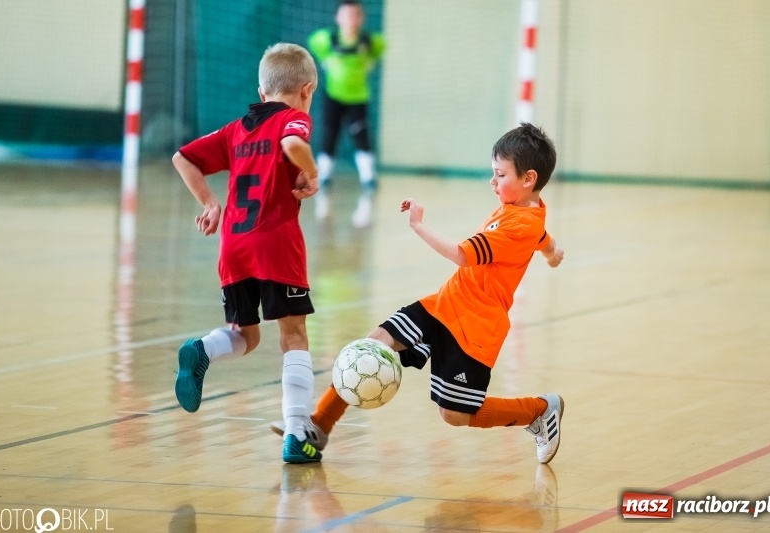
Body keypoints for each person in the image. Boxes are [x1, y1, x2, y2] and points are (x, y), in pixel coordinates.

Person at [272, 123, 566, 464]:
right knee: (372, 345)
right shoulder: (525, 209)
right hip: (445, 304)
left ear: (528, 178)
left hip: (474, 329)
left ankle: (539, 411)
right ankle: (319, 425)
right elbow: (541, 236)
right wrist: (551, 252)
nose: (493, 182)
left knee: (454, 413)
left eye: (500, 175)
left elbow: (462, 255)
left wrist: (418, 226)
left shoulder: (519, 225)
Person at [171, 43, 323, 464]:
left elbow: (183, 158)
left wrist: (209, 204)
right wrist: (310, 172)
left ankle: (203, 349)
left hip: (234, 247)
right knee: (293, 336)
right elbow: (294, 143)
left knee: (245, 335)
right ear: (307, 89)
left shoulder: (237, 129)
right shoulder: (295, 118)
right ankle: (296, 434)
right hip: (276, 244)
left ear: (261, 90)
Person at [308, 0, 386, 194]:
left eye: (355, 15)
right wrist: (324, 59)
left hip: (358, 97)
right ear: (338, 18)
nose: (351, 19)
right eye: (347, 15)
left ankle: (368, 178)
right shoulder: (327, 39)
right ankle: (323, 176)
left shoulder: (370, 41)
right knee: (330, 134)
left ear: (361, 18)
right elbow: (313, 42)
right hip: (333, 95)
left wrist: (371, 61)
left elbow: (381, 48)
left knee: (361, 137)